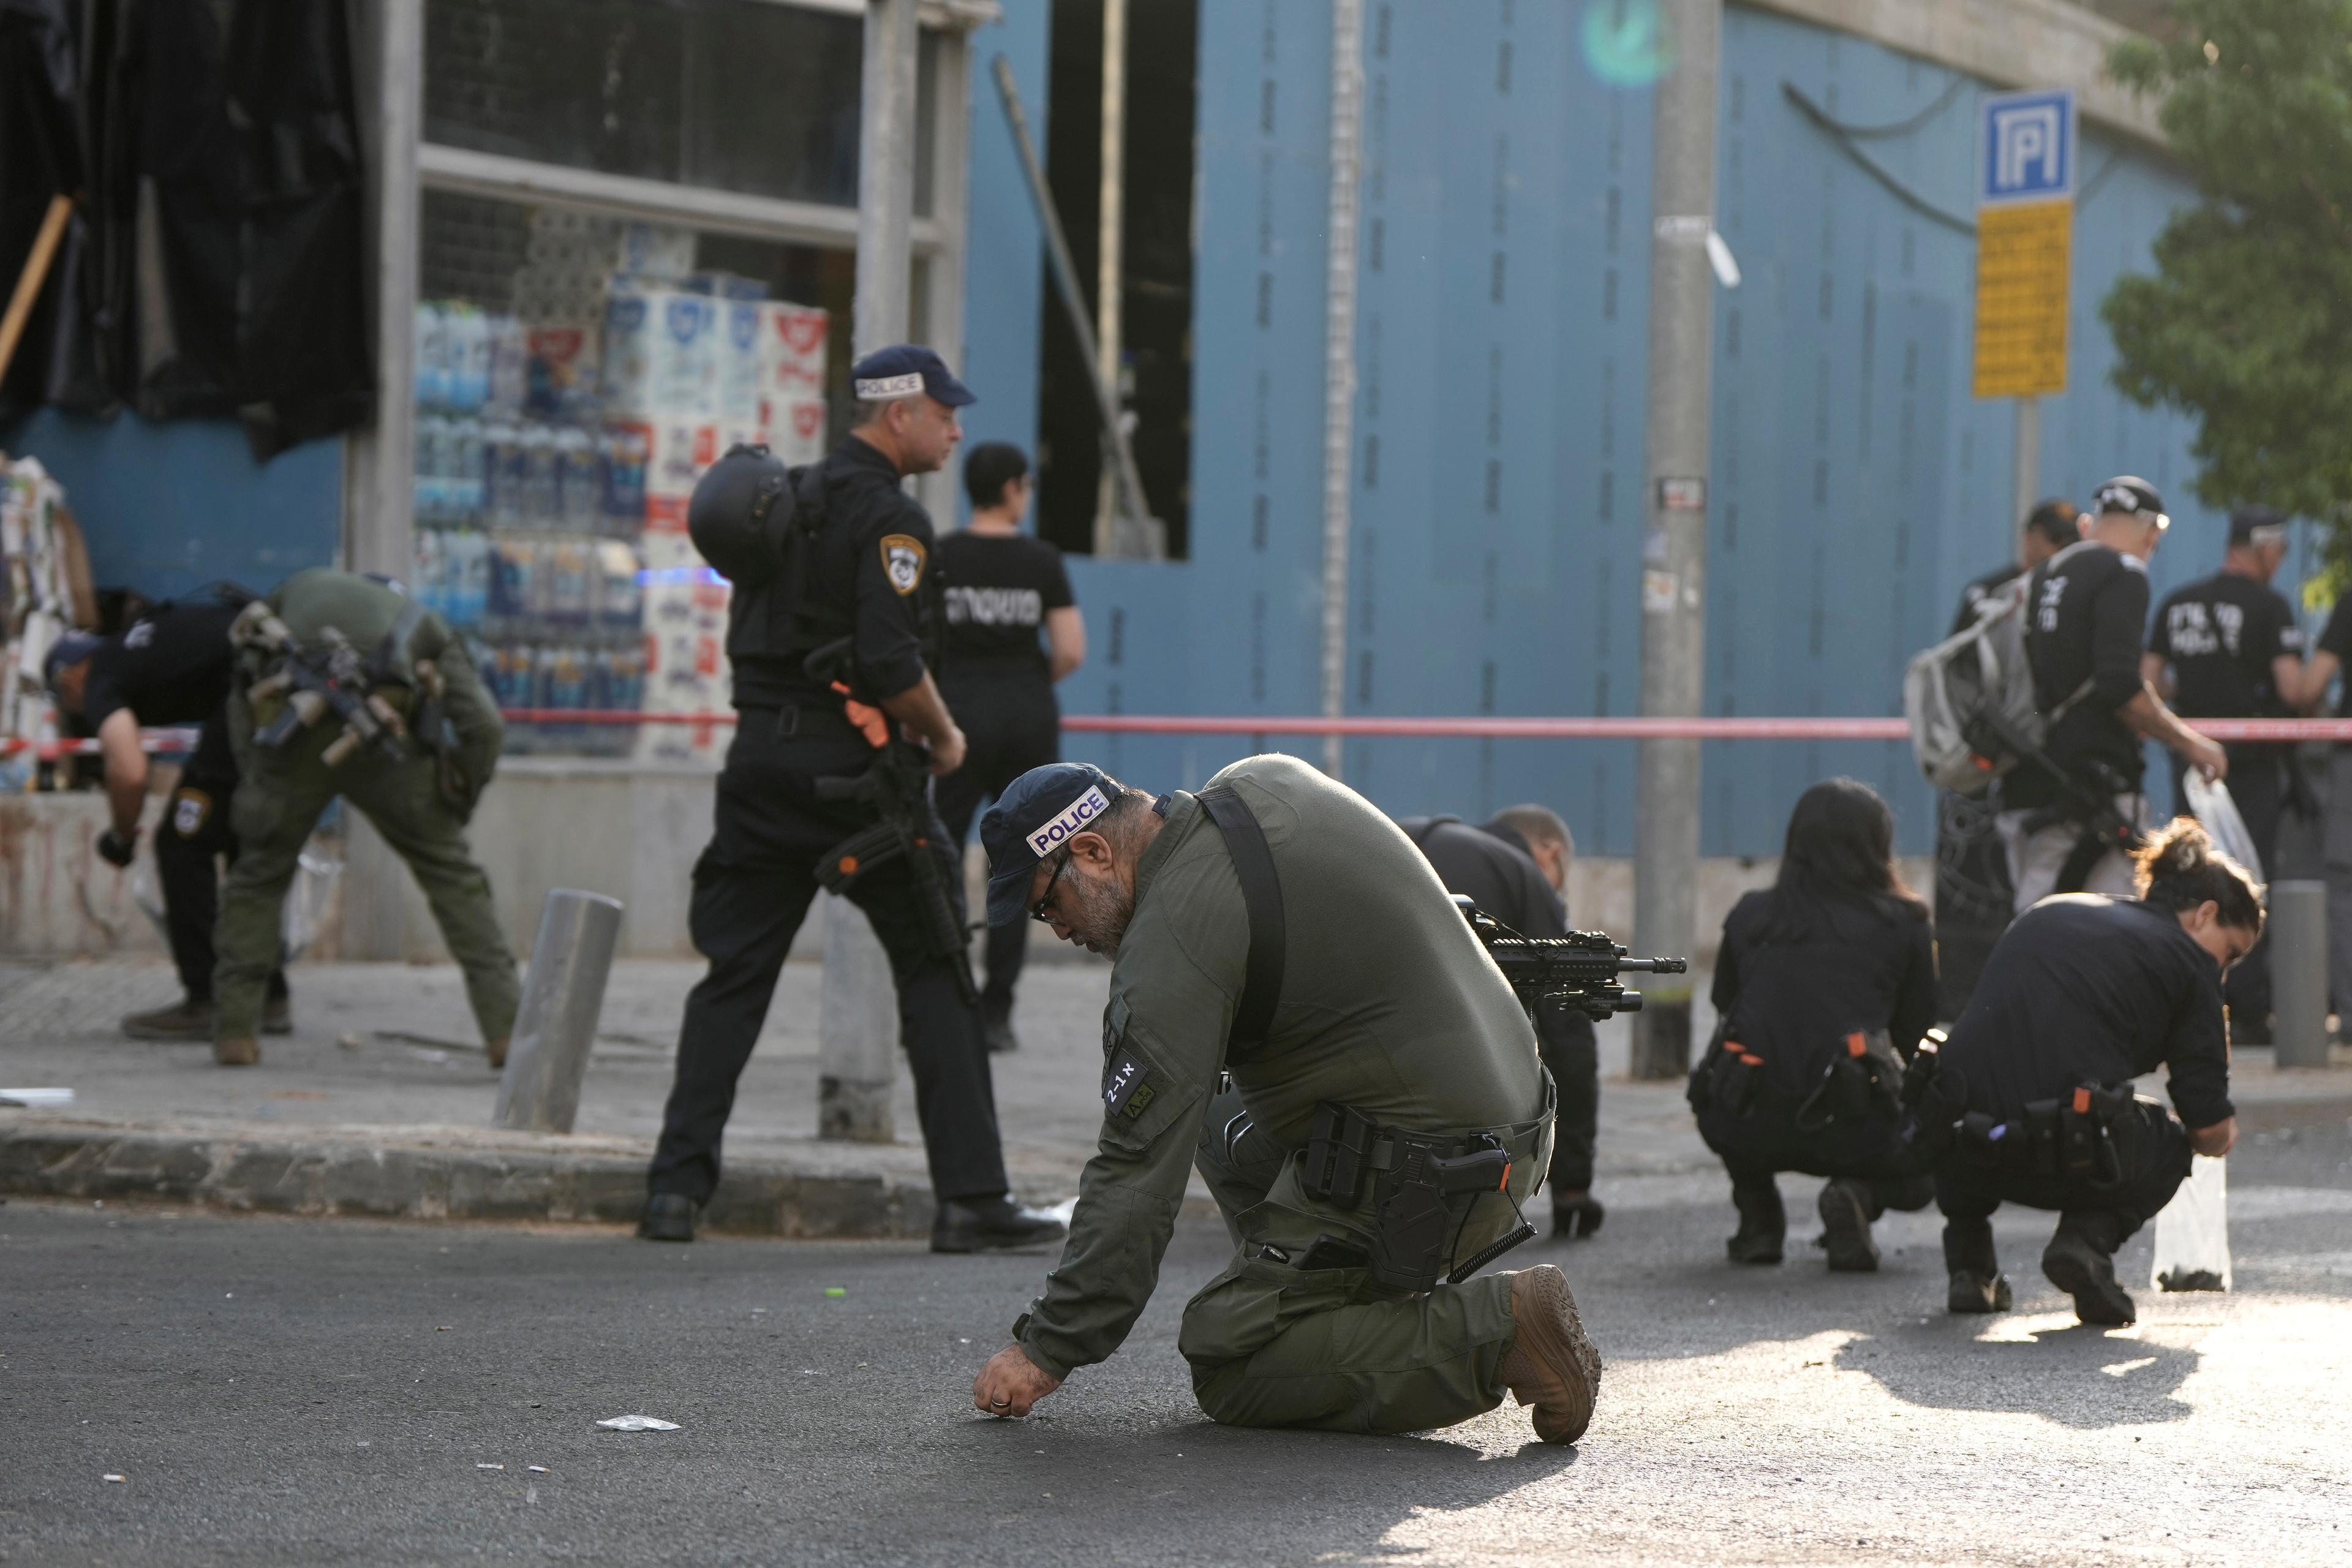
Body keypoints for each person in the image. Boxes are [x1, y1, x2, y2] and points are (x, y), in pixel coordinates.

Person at [966, 755, 1602, 1445]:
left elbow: (1134, 1166)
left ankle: (1500, 1329)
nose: (1057, 928)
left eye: (1046, 903)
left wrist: (1048, 1348)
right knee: (1212, 1117)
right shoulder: (1261, 781)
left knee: (1231, 1358)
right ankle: (1338, 1296)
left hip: (1440, 1171)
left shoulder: (1174, 935)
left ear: (1091, 852)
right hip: (1512, 1126)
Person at [637, 345, 1065, 1257]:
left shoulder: (779, 503)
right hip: (857, 790)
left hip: (757, 772)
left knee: (733, 980)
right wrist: (946, 739)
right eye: (944, 412)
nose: (956, 429)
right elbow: (887, 660)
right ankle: (973, 1200)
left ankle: (674, 1191)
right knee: (941, 974)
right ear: (899, 414)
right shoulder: (889, 518)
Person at [1935, 819, 2253, 1325]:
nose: (2223, 973)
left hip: (1958, 1141)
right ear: (2205, 915)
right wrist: (2222, 1130)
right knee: (2170, 1141)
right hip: (2060, 1151)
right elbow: (2208, 1127)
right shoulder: (2190, 963)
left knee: (1976, 1090)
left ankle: (1971, 1270)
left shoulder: (2052, 910)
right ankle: (2085, 1244)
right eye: (2230, 954)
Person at [211, 569, 515, 1069]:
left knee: (259, 877)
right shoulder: (424, 623)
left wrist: (257, 779)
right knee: (453, 880)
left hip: (292, 748)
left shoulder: (292, 594)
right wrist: (460, 796)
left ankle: (236, 1035)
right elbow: (484, 725)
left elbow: (243, 695)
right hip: (392, 749)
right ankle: (506, 1033)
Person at [1689, 780, 1939, 1272]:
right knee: (1927, 1163)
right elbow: (1917, 1032)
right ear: (1877, 845)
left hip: (1747, 1118)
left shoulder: (1751, 915)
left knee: (1720, 1083)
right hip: (1855, 1121)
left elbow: (1725, 1004)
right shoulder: (1905, 922)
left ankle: (1759, 1218)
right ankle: (1858, 1195)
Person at [43, 588, 292, 1039]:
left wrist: (121, 837)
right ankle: (268, 995)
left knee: (181, 843)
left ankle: (205, 1000)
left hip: (249, 689)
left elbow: (130, 771)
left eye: (66, 700)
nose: (76, 711)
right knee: (239, 835)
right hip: (279, 685)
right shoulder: (136, 647)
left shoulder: (100, 677)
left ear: (68, 678)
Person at [1996, 477, 2227, 913]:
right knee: (2101, 926)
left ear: (2091, 522)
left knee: (2034, 916)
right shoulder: (2124, 573)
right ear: (2152, 530)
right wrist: (2190, 743)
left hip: (2029, 776)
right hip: (2091, 787)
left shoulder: (2041, 576)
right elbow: (2120, 685)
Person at [933, 442, 1085, 1055]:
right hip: (1025, 719)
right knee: (1021, 861)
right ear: (1014, 489)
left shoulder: (941, 556)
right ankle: (998, 1012)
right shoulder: (1041, 560)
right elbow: (1071, 649)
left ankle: (941, 993)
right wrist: (1024, 685)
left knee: (939, 851)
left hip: (957, 719)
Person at [1396, 804, 1603, 1240]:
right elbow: (1570, 1041)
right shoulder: (1523, 874)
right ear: (1550, 853)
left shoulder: (1406, 837)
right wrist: (1573, 1184)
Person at [2141, 504, 2303, 1043]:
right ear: (2261, 547)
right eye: (2278, 550)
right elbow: (2292, 689)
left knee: (2189, 875)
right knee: (2249, 877)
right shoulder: (2271, 607)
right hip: (2251, 764)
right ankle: (2248, 1007)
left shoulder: (2178, 602)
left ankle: (2184, 995)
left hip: (2191, 761)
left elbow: (2150, 684)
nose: (2280, 561)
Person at [1936, 499, 2083, 1014]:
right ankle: (1966, 997)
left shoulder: (2066, 595)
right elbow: (1959, 673)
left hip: (2043, 767)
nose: (2060, 553)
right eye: (2054, 540)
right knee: (1973, 881)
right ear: (2031, 539)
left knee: (2026, 885)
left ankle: (2023, 995)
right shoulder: (1991, 594)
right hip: (1988, 758)